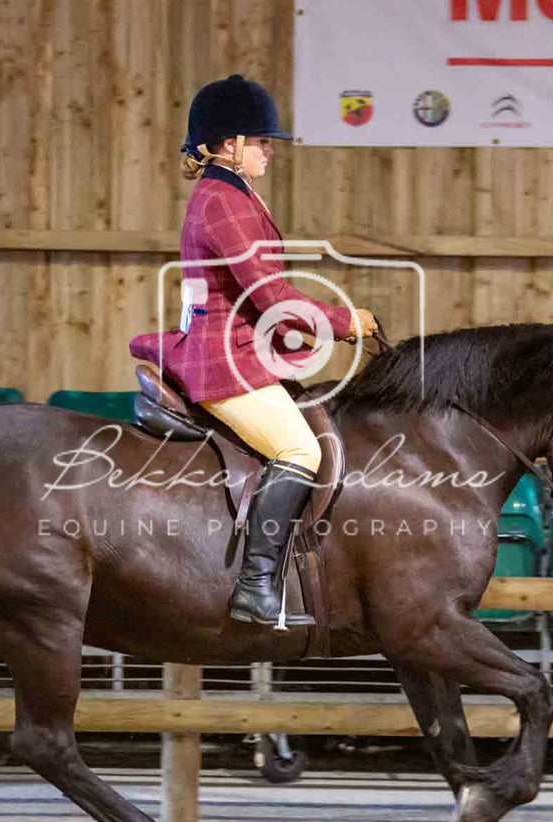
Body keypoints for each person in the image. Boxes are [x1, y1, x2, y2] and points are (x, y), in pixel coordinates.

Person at [130, 75, 377, 629]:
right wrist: (343, 323)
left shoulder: (230, 194)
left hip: (241, 350)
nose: (270, 150)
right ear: (229, 144)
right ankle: (256, 584)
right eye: (262, 141)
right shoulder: (222, 201)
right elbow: (267, 294)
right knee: (301, 450)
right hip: (225, 363)